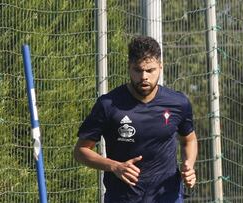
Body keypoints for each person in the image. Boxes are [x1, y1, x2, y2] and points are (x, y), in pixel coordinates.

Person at [74, 35, 198, 203]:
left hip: (167, 196)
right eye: (138, 70)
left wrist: (188, 165)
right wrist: (115, 166)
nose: (144, 76)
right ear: (129, 68)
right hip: (122, 198)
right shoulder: (108, 105)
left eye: (150, 70)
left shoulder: (178, 103)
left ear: (160, 67)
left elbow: (189, 140)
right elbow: (81, 151)